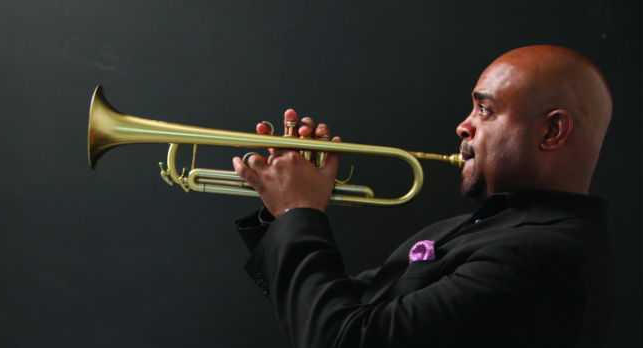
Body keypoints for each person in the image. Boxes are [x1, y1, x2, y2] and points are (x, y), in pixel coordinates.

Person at [231, 45, 614, 346]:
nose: (464, 126)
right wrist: (281, 212)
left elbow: (341, 338)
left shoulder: (543, 257)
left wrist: (296, 210)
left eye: (485, 110)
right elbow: (325, 307)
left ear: (552, 132)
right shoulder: (481, 228)